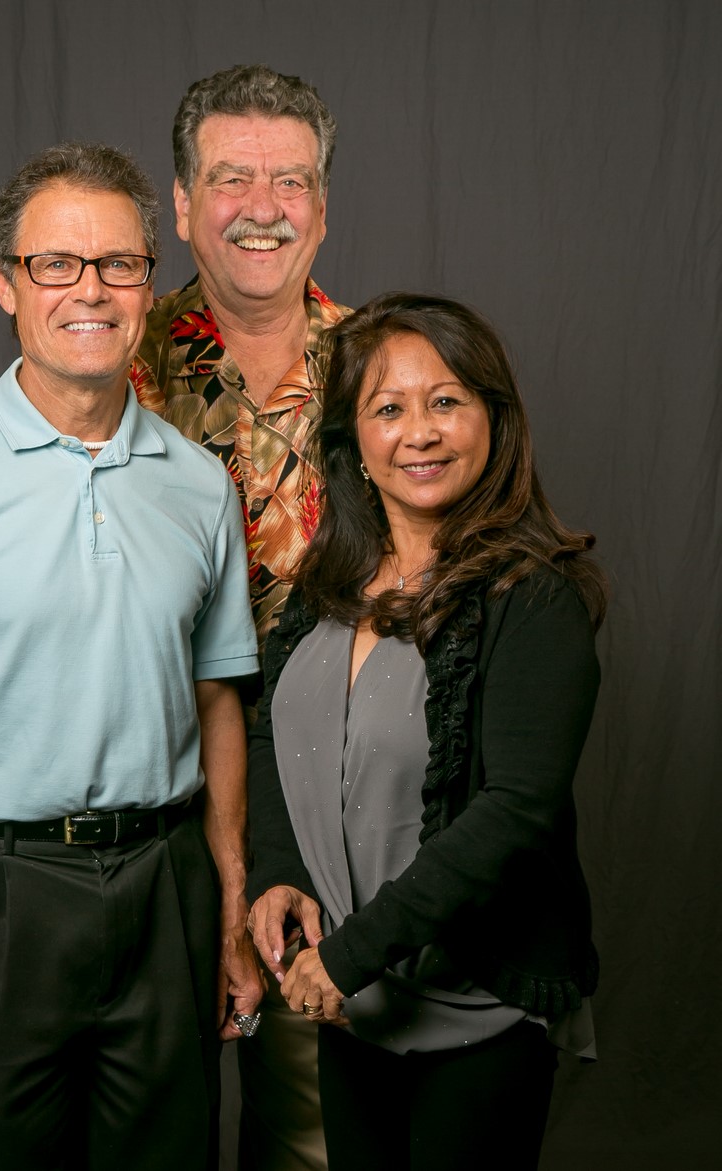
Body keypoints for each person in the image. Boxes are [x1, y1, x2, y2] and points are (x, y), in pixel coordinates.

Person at [0, 142, 262, 1171]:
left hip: (165, 887)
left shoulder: (200, 486)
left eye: (117, 264)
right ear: (4, 285)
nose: (90, 290)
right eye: (55, 264)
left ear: (148, 286)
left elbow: (217, 706)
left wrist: (230, 910)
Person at [246, 292, 608, 1170]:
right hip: (354, 1005)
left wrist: (350, 954)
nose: (422, 432)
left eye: (447, 400)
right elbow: (273, 734)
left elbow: (515, 811)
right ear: (355, 445)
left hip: (472, 1007)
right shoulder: (329, 588)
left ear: (494, 420)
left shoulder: (535, 596)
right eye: (389, 408)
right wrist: (281, 872)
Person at [132, 63, 348, 1171]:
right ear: (179, 204)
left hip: (330, 814)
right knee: (146, 1117)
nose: (262, 207)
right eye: (230, 180)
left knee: (310, 1127)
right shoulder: (105, 368)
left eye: (290, 181)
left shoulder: (387, 372)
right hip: (146, 811)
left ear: (322, 200)